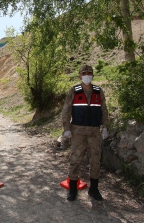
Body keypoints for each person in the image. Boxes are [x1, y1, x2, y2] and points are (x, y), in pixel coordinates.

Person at [62, 64, 109, 201]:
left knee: (95, 160)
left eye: (89, 73)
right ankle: (72, 188)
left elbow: (104, 110)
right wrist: (66, 129)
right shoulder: (74, 91)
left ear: (92, 75)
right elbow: (66, 110)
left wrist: (105, 127)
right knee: (75, 159)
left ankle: (94, 189)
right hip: (78, 131)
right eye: (84, 73)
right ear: (80, 76)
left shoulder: (98, 91)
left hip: (94, 131)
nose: (86, 75)